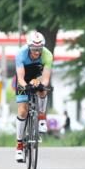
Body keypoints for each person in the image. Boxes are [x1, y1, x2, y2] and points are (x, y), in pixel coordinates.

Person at [14, 32, 53, 162]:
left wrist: (41, 85)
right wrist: (26, 86)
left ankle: (42, 117)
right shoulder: (21, 54)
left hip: (37, 76)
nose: (37, 52)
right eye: (34, 49)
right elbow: (20, 78)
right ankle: (19, 146)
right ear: (29, 47)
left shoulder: (47, 55)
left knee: (43, 89)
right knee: (23, 111)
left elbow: (46, 78)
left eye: (39, 49)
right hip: (23, 80)